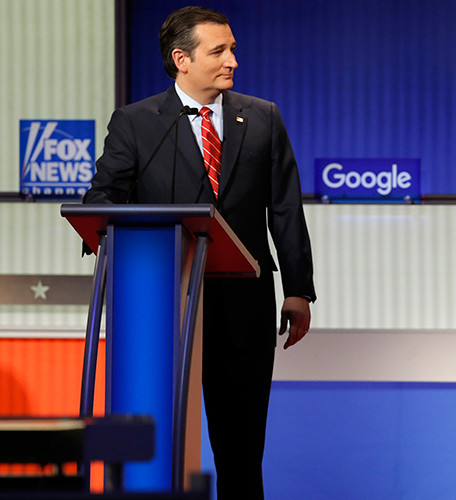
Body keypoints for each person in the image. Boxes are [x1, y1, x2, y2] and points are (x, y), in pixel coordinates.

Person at [85, 6, 316, 499]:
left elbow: (286, 211)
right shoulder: (136, 122)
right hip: (160, 310)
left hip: (244, 306)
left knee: (241, 450)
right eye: (219, 50)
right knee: (158, 448)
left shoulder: (262, 117)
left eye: (232, 48)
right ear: (181, 59)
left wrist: (299, 291)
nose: (233, 59)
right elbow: (101, 203)